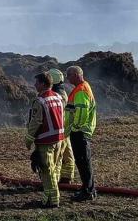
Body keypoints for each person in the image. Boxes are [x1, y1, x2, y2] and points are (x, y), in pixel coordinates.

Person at [25, 72, 66, 208]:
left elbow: (35, 122)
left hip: (46, 141)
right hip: (59, 139)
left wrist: (28, 139)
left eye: (36, 83)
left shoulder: (40, 101)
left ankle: (53, 201)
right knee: (53, 169)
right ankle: (47, 199)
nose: (35, 85)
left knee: (47, 172)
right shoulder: (58, 97)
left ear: (43, 84)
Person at [65, 65, 97, 201]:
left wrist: (75, 128)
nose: (67, 78)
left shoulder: (81, 91)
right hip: (81, 132)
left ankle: (88, 191)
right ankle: (88, 188)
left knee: (83, 161)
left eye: (69, 75)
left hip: (80, 132)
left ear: (77, 75)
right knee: (83, 161)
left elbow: (82, 113)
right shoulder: (81, 88)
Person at [47, 68, 75, 184]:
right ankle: (67, 176)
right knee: (67, 151)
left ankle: (55, 180)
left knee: (58, 156)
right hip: (64, 127)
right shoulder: (62, 92)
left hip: (60, 128)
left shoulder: (58, 95)